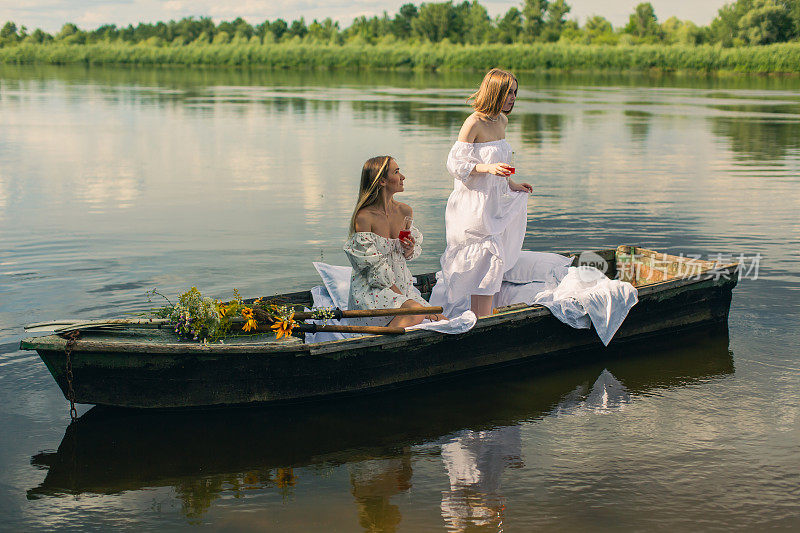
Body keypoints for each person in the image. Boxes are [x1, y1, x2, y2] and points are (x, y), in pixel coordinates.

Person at [432, 68, 533, 318]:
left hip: (493, 202)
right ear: (495, 92)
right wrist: (486, 167)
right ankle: (478, 315)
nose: (513, 97)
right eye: (508, 92)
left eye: (515, 93)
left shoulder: (502, 121)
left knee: (490, 261)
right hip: (472, 205)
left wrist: (512, 184)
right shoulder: (473, 122)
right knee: (482, 257)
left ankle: (480, 315)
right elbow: (455, 165)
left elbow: (498, 163)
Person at [344, 156, 445, 328]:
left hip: (402, 287)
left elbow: (406, 256)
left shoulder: (405, 211)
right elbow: (373, 268)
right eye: (397, 172)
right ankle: (374, 345)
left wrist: (409, 248)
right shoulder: (364, 217)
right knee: (416, 312)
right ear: (382, 180)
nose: (403, 177)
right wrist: (406, 300)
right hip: (373, 291)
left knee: (444, 322)